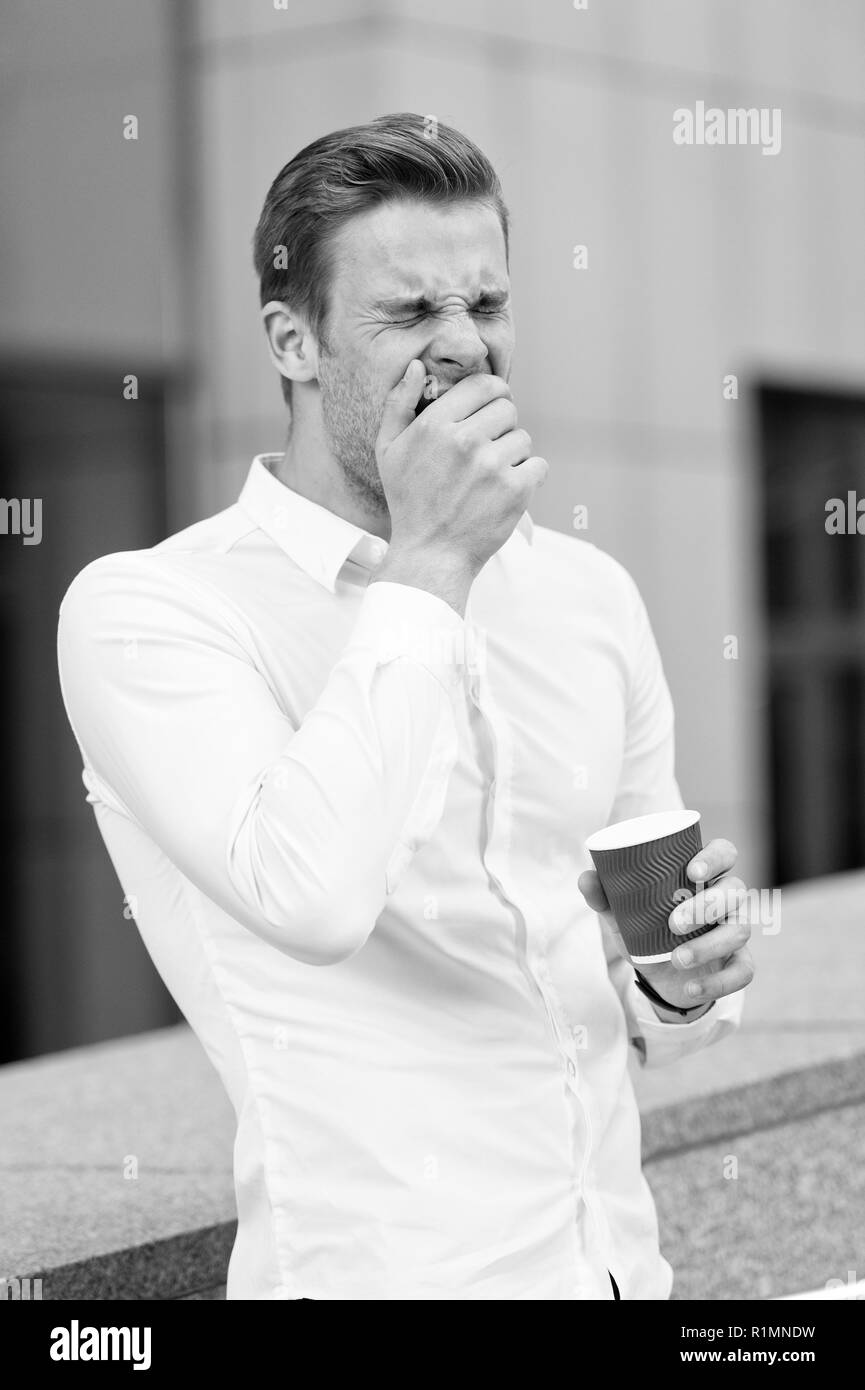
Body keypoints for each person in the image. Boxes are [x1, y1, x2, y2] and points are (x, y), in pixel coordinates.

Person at [57, 113, 754, 1301]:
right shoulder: (150, 611)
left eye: (483, 306)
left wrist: (678, 980)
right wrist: (429, 562)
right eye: (408, 314)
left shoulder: (585, 592)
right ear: (292, 338)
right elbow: (313, 893)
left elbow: (645, 960)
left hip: (625, 1275)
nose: (463, 349)